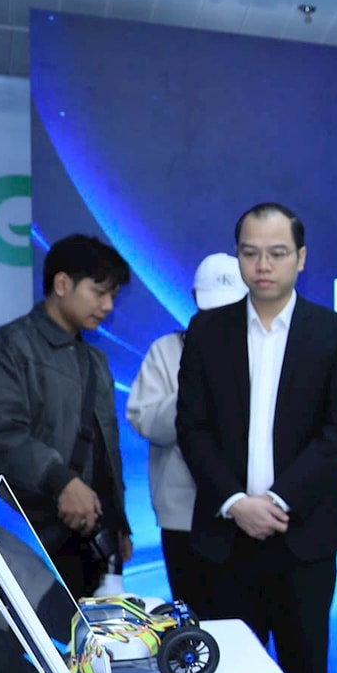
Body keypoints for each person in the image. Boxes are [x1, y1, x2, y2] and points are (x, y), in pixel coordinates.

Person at [175, 203, 337, 673]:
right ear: (237, 256)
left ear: (300, 258)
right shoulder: (207, 330)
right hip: (224, 539)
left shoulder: (332, 331)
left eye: (277, 253)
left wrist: (278, 501)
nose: (263, 265)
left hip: (304, 537)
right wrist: (236, 502)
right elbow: (192, 427)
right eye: (251, 253)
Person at [0, 233, 133, 598]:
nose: (107, 306)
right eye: (99, 292)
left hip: (85, 546)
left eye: (113, 296)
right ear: (62, 284)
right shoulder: (6, 349)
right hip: (23, 540)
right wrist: (61, 481)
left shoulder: (95, 360)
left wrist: (119, 522)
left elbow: (105, 448)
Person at [126, 253, 248, 618]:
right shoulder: (166, 351)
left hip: (247, 514)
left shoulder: (264, 352)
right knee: (193, 621)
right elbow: (145, 421)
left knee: (245, 624)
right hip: (184, 517)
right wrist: (195, 391)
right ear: (194, 299)